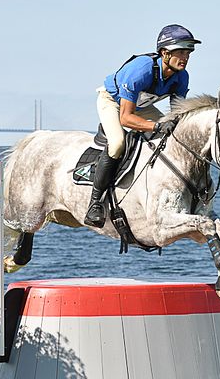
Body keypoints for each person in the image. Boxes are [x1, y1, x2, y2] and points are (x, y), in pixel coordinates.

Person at [84, 24, 201, 228]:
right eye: (180, 52)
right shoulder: (141, 70)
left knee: (170, 135)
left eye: (188, 52)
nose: (185, 57)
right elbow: (126, 119)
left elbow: (176, 115)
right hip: (112, 102)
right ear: (164, 53)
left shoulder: (182, 76)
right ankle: (94, 203)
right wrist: (156, 127)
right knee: (118, 144)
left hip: (142, 105)